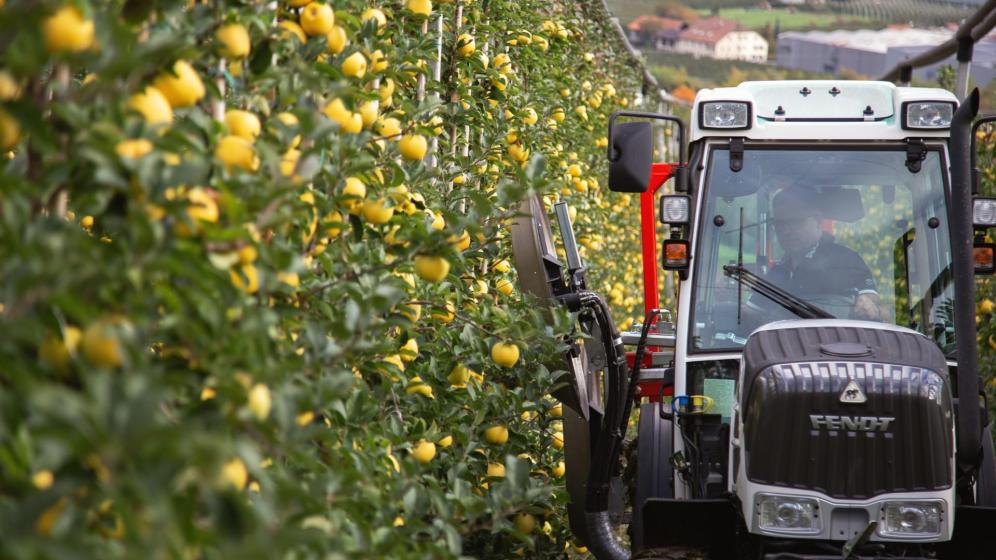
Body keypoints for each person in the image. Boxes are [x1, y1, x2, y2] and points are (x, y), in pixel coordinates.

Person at [752, 188, 887, 321]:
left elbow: (873, 306)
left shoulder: (847, 260)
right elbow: (753, 314)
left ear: (817, 220)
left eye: (795, 221)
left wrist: (867, 301)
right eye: (780, 224)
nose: (786, 231)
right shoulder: (777, 272)